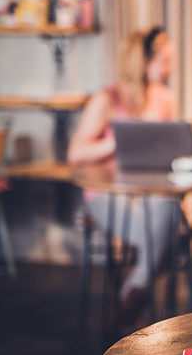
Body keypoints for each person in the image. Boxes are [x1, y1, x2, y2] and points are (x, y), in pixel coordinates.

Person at [68, 27, 179, 314]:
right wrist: (116, 142)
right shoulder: (107, 100)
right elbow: (75, 154)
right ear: (141, 62)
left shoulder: (164, 98)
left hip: (152, 192)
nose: (172, 68)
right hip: (107, 195)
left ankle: (128, 298)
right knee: (167, 243)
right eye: (165, 61)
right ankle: (130, 301)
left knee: (170, 208)